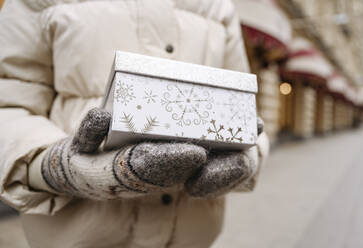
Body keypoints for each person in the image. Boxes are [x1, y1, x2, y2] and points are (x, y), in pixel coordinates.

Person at [0, 0, 269, 247]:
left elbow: (242, 107)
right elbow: (8, 105)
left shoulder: (216, 5)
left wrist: (248, 158)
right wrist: (62, 168)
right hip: (79, 235)